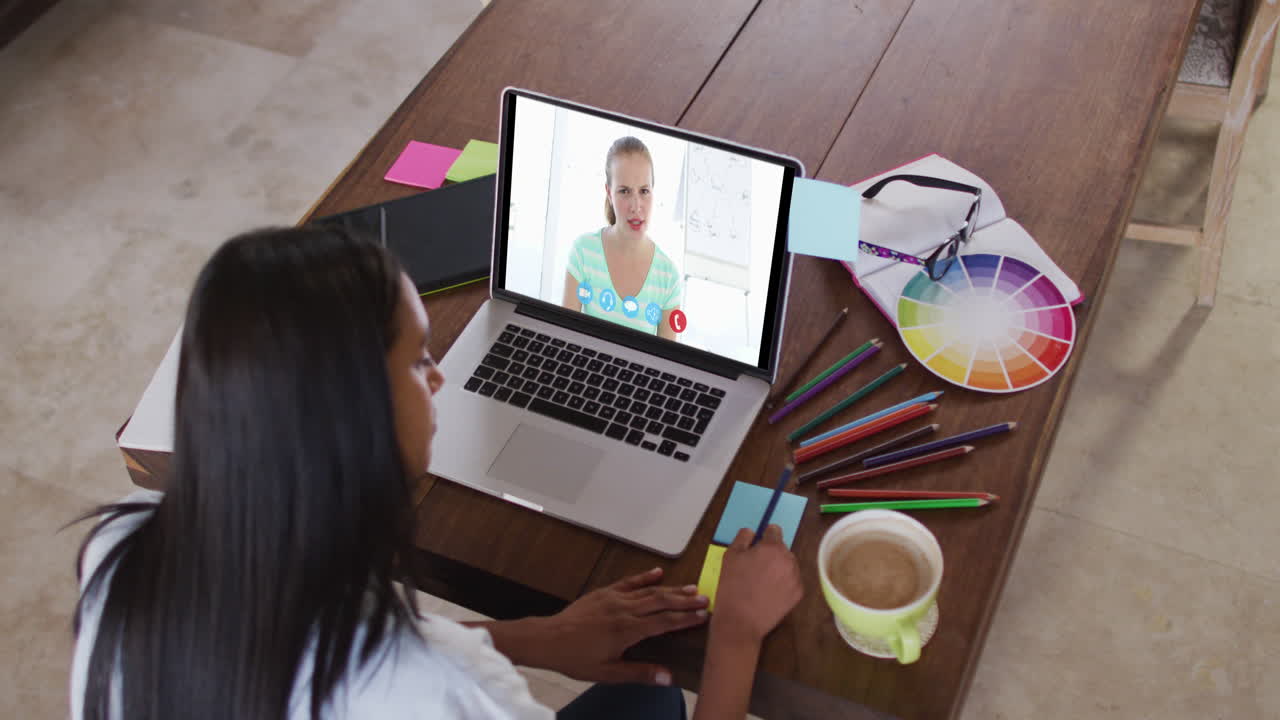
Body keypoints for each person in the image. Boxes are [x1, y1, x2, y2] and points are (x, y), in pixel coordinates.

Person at [72, 226, 802, 720]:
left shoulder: (122, 552)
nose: (441, 380)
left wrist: (533, 638)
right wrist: (735, 634)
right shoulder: (443, 694)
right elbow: (412, 675)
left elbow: (318, 647)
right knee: (661, 697)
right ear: (358, 419)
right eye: (421, 360)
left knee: (645, 699)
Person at [562, 137, 683, 339]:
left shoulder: (668, 276)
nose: (636, 206)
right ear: (609, 193)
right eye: (624, 191)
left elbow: (667, 361)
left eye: (644, 191)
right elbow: (564, 335)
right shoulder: (584, 251)